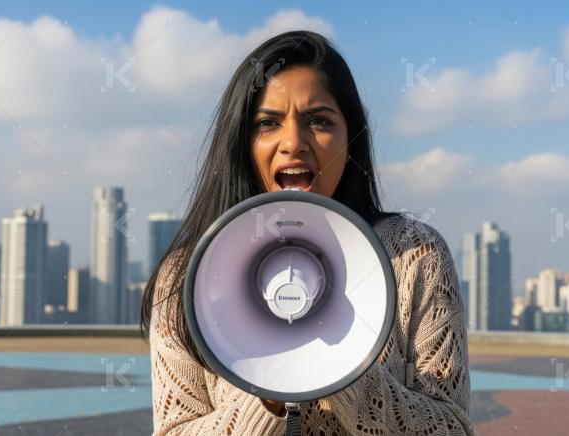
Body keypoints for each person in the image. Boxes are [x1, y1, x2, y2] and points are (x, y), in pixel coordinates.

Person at [141, 30, 474, 435]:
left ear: (350, 139)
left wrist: (344, 367)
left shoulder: (415, 255)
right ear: (241, 142)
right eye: (268, 123)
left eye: (318, 120)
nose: (293, 142)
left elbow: (452, 428)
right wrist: (265, 392)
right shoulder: (183, 278)